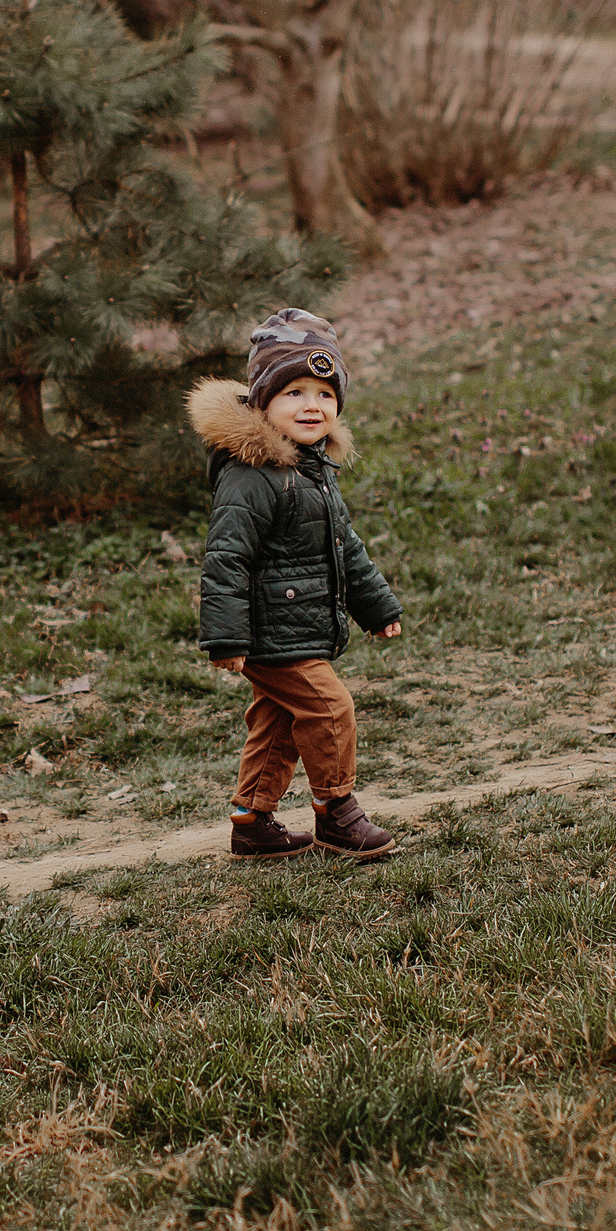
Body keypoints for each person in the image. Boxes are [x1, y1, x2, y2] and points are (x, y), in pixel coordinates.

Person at [188, 309, 404, 861]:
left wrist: (376, 606)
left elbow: (344, 548)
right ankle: (337, 812)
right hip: (266, 630)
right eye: (294, 393)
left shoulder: (313, 470)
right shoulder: (251, 476)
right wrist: (228, 638)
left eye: (326, 395)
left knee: (279, 721)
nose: (313, 406)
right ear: (263, 402)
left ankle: (252, 821)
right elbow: (227, 558)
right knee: (330, 709)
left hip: (295, 624)